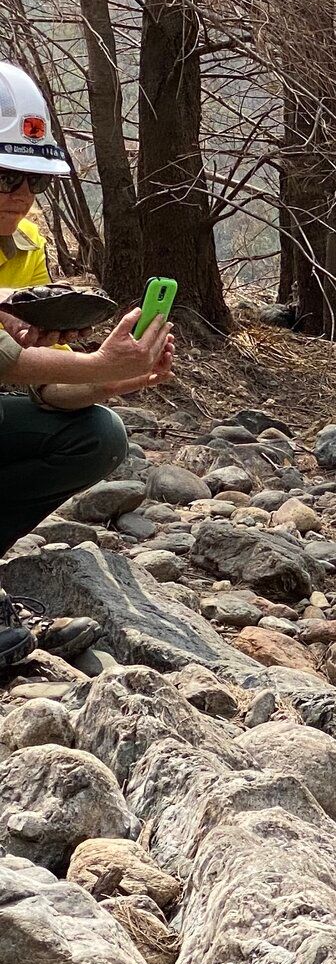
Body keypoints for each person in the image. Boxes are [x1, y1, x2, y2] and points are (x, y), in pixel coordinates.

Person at [0, 60, 175, 668]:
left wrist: (110, 377)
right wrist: (94, 364)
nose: (21, 195)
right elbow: (11, 361)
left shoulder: (26, 248)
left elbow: (43, 383)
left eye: (33, 180)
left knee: (97, 436)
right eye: (5, 177)